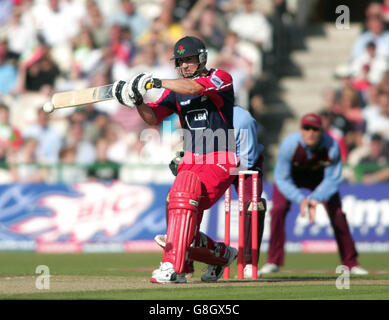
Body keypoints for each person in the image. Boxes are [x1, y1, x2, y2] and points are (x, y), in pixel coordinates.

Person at [113, 36, 239, 283]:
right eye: (181, 62)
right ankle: (221, 255)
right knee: (179, 215)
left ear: (202, 58)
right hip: (191, 159)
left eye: (189, 60)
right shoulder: (176, 91)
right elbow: (152, 118)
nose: (185, 66)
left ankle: (172, 266)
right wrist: (137, 100)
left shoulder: (221, 78)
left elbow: (195, 88)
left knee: (182, 200)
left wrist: (156, 82)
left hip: (220, 157)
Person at [154, 105, 267, 279]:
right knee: (178, 195)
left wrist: (220, 169)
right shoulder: (197, 114)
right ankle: (183, 260)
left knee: (252, 205)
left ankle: (247, 264)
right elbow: (197, 151)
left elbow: (247, 160)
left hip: (244, 165)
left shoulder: (242, 118)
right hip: (213, 162)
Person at [260, 113, 369, 275]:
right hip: (292, 179)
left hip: (320, 180)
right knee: (278, 209)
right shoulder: (289, 145)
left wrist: (315, 198)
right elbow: (282, 179)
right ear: (300, 130)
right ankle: (273, 261)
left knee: (337, 214)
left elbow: (333, 179)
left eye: (315, 129)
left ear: (322, 131)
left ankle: (351, 262)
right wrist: (301, 199)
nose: (311, 132)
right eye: (306, 128)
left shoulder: (331, 146)